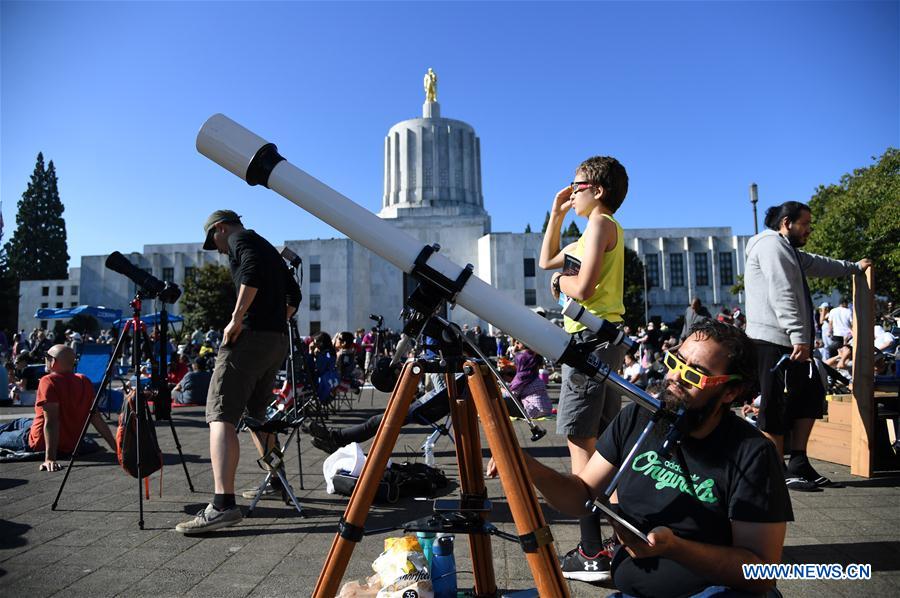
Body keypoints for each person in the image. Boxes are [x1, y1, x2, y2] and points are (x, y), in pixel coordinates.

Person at [487, 320, 792, 596]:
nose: (675, 377)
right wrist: (526, 466)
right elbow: (580, 496)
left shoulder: (752, 453)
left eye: (694, 374)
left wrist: (676, 549)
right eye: (676, 362)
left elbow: (761, 573)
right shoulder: (636, 418)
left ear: (730, 392)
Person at [175, 209, 301, 534]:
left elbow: (252, 271)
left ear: (220, 228)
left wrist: (237, 317)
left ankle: (222, 504)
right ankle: (276, 480)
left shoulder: (239, 239)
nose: (217, 249)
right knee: (257, 414)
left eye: (213, 240)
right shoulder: (266, 246)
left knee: (221, 414)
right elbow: (294, 294)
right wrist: (276, 320)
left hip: (251, 338)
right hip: (275, 341)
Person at [539, 155, 629, 580]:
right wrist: (554, 215)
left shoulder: (600, 224)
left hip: (588, 341)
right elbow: (547, 260)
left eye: (576, 186)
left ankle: (591, 551)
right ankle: (623, 540)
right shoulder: (599, 228)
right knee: (607, 447)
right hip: (602, 340)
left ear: (598, 189)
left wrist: (561, 286)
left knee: (581, 446)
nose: (571, 192)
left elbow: (582, 285)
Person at [744, 200, 871, 491]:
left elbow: (817, 263)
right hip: (774, 341)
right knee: (776, 405)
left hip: (789, 341)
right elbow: (782, 291)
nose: (809, 230)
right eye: (805, 224)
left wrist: (853, 268)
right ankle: (776, 470)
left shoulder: (787, 249)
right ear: (786, 222)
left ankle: (799, 463)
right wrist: (798, 335)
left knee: (809, 396)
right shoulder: (770, 246)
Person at [0, 345, 116, 470]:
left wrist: (50, 458)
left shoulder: (48, 381)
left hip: (39, 441)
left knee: (6, 432)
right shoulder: (84, 381)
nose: (45, 359)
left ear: (53, 361)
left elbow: (52, 422)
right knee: (21, 422)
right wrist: (116, 448)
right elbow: (96, 418)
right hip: (71, 443)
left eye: (47, 357)